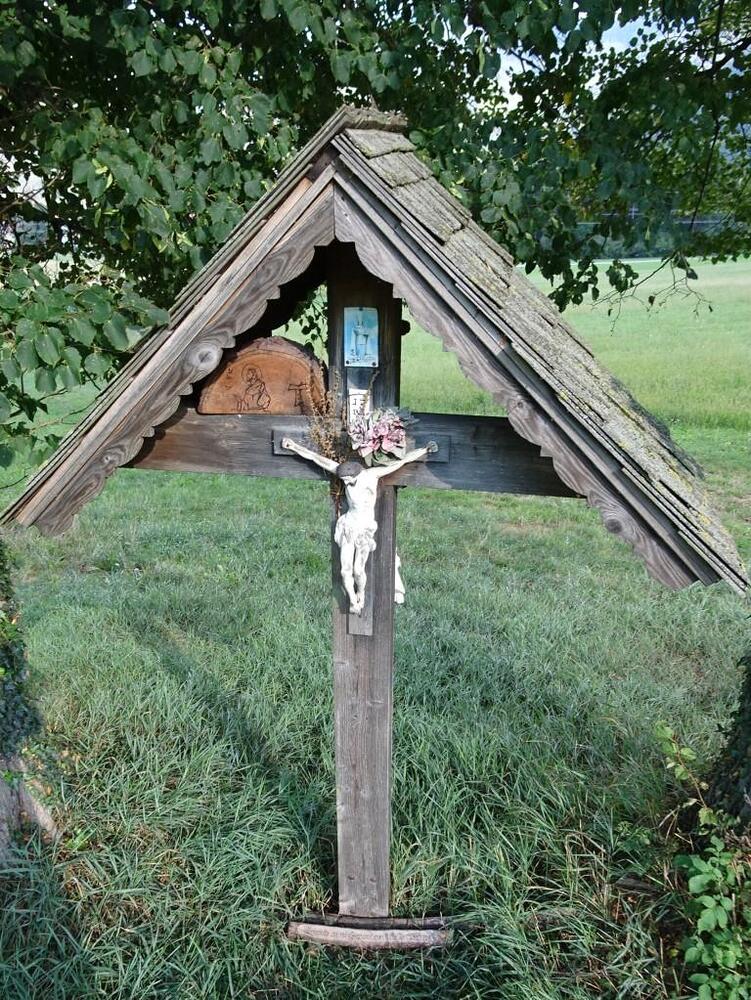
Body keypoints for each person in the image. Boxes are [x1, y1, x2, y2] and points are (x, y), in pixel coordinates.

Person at [281, 437, 437, 614]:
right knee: (345, 571)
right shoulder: (342, 472)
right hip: (349, 526)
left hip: (364, 528)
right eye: (344, 480)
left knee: (357, 570)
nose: (346, 484)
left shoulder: (371, 476)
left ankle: (361, 594)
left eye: (348, 480)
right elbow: (316, 458)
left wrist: (424, 450)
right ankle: (353, 601)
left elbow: (400, 462)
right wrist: (293, 446)